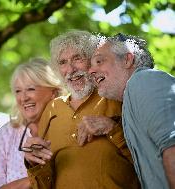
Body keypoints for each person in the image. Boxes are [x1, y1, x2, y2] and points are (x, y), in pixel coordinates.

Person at [23, 31, 140, 189]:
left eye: (77, 58)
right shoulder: (52, 108)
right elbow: (44, 185)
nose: (70, 69)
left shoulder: (116, 96)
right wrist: (34, 163)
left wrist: (112, 129)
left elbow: (147, 159)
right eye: (63, 62)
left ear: (93, 61)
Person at [89, 33, 175, 189]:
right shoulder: (131, 98)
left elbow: (172, 147)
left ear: (127, 59)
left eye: (99, 61)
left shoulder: (143, 80)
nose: (91, 71)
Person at [0, 58, 62, 189]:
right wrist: (34, 179)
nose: (23, 98)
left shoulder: (70, 127)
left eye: (30, 89)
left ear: (53, 92)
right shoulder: (4, 137)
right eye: (18, 91)